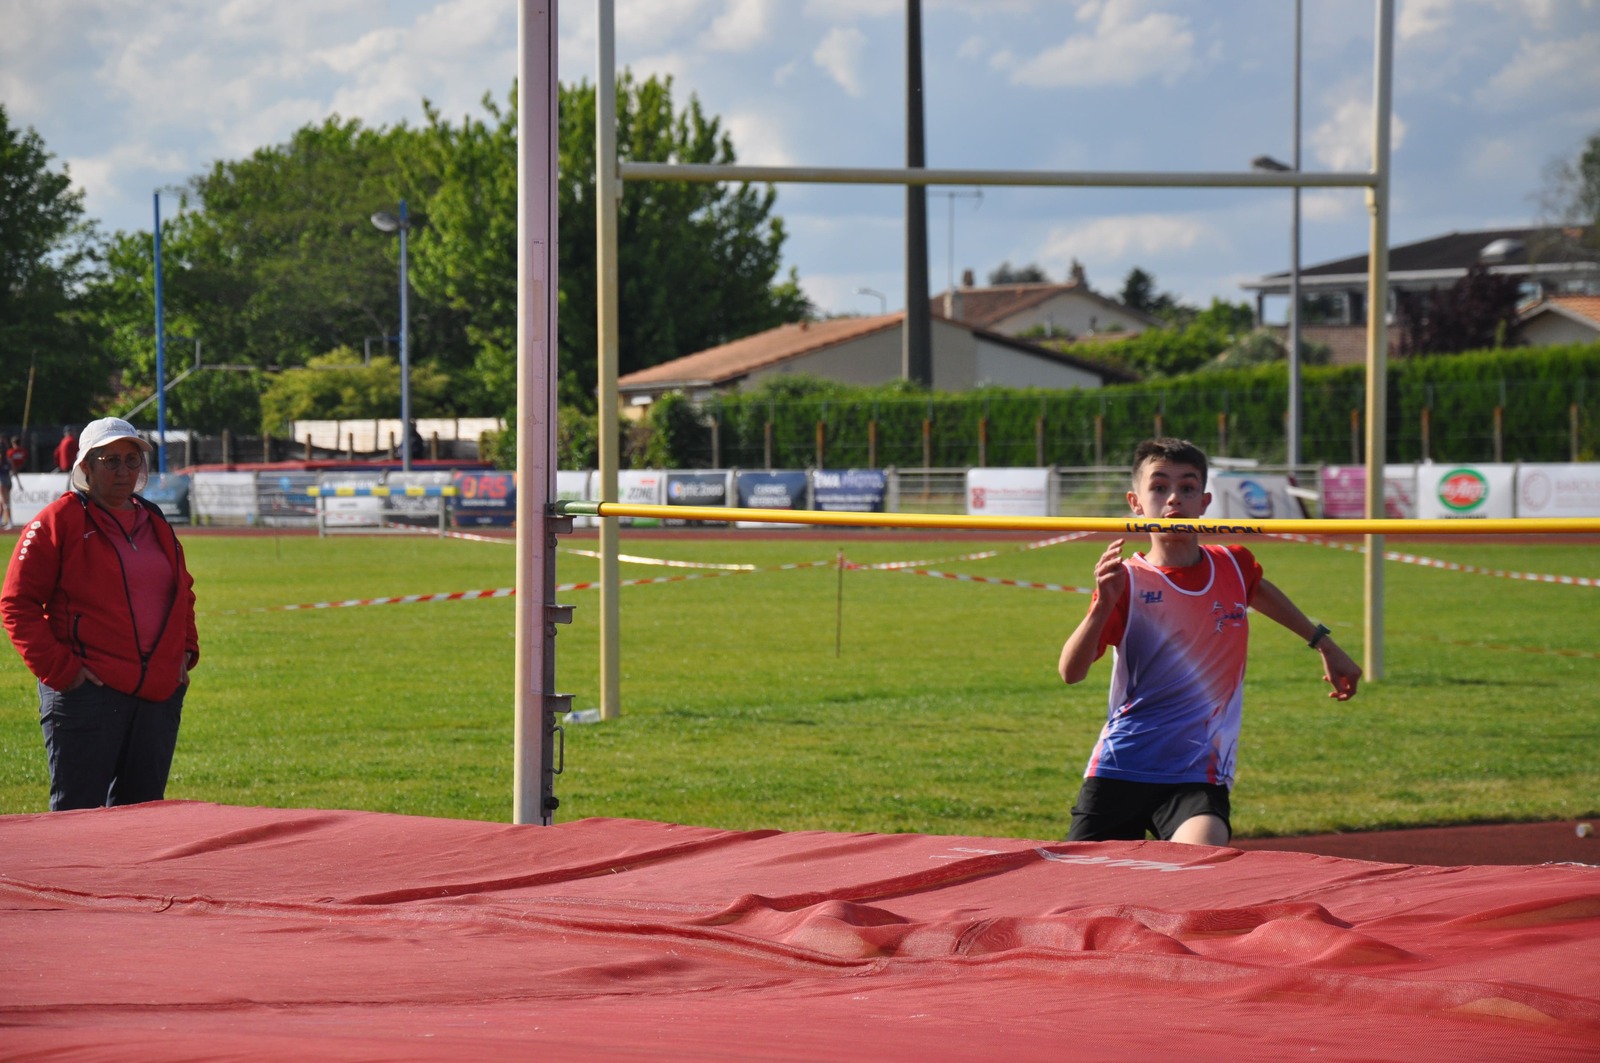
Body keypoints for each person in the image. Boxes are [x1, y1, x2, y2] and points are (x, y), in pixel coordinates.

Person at [1057, 437, 1360, 846]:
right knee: (1081, 881)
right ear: (1135, 502)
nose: (1173, 498)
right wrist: (1102, 605)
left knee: (1200, 856)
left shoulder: (1234, 564)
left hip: (1198, 774)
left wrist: (1324, 644)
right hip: (1121, 766)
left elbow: (1259, 590)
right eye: (1159, 487)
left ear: (1204, 502)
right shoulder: (1126, 581)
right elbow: (1071, 672)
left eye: (1187, 487)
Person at [2, 417, 199, 810]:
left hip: (157, 697)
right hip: (86, 695)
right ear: (86, 467)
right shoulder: (58, 520)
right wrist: (63, 671)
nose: (123, 470)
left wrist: (185, 652)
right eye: (110, 461)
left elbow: (182, 592)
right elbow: (17, 603)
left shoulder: (154, 519)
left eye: (131, 460)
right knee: (79, 822)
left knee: (142, 819)